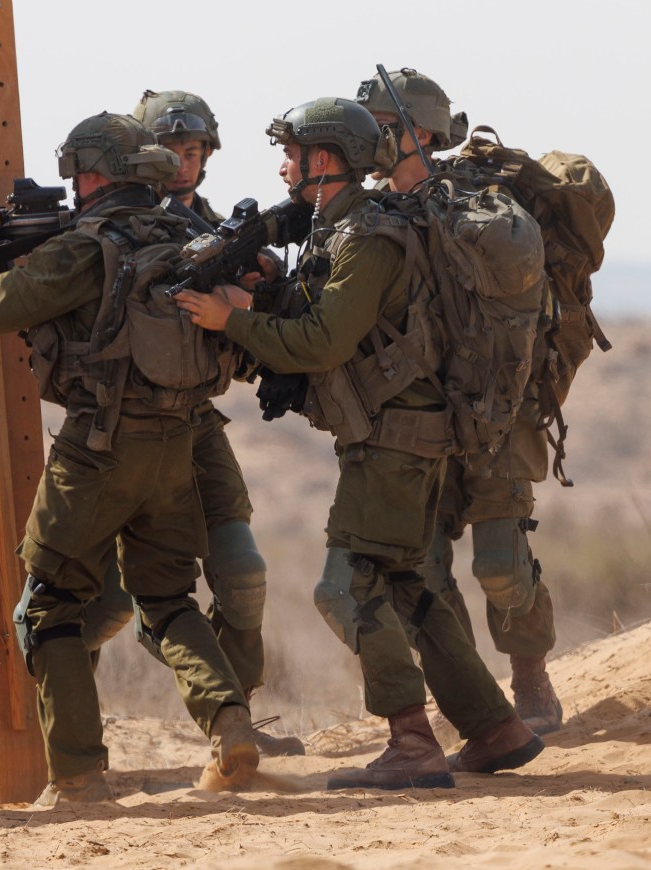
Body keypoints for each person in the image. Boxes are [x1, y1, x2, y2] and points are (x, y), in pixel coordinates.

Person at [174, 96, 545, 789]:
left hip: (395, 443)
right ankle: (495, 729)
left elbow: (322, 342)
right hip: (402, 437)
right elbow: (333, 316)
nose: (283, 165)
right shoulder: (345, 230)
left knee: (348, 586)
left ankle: (411, 741)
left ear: (322, 161)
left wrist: (232, 321)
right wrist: (268, 295)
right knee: (409, 587)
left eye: (292, 153)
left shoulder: (369, 238)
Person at [0, 111, 259, 805]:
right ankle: (230, 720)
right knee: (167, 600)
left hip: (96, 451)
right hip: (177, 445)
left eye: (78, 173)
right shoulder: (184, 233)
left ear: (92, 173)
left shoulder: (85, 248)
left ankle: (79, 777)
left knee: (49, 608)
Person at [80, 90, 305, 757]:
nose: (181, 163)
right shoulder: (111, 222)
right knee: (110, 604)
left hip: (195, 423)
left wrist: (252, 292)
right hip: (119, 428)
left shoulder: (217, 228)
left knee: (242, 573)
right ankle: (59, 723)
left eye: (193, 150)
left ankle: (234, 723)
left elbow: (255, 328)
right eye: (170, 150)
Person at [355, 67, 563, 735]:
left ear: (421, 134)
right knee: (428, 576)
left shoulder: (481, 206)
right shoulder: (367, 216)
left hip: (495, 411)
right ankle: (480, 703)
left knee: (502, 566)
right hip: (416, 418)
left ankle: (531, 676)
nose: (372, 142)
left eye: (383, 130)